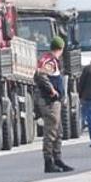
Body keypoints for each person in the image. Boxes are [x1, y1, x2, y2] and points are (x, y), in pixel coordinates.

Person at [34, 36, 74, 173]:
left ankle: (57, 159)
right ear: (61, 49)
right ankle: (49, 161)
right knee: (51, 132)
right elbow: (41, 76)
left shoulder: (49, 59)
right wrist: (52, 90)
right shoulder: (49, 61)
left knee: (58, 131)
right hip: (49, 101)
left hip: (53, 101)